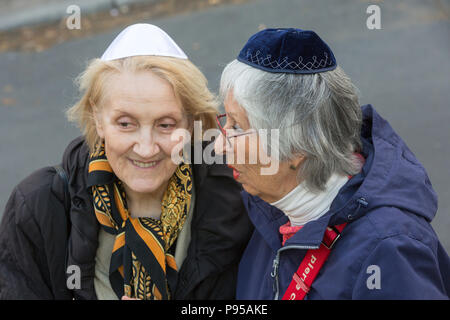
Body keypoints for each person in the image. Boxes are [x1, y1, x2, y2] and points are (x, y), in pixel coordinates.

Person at [0, 24, 253, 300]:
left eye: (166, 125)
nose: (145, 148)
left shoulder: (238, 199)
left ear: (190, 125)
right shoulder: (38, 208)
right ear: (98, 118)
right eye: (125, 124)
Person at [214, 28, 450, 299]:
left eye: (238, 127)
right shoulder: (267, 208)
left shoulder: (387, 252)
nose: (220, 145)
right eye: (226, 123)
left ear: (297, 146)